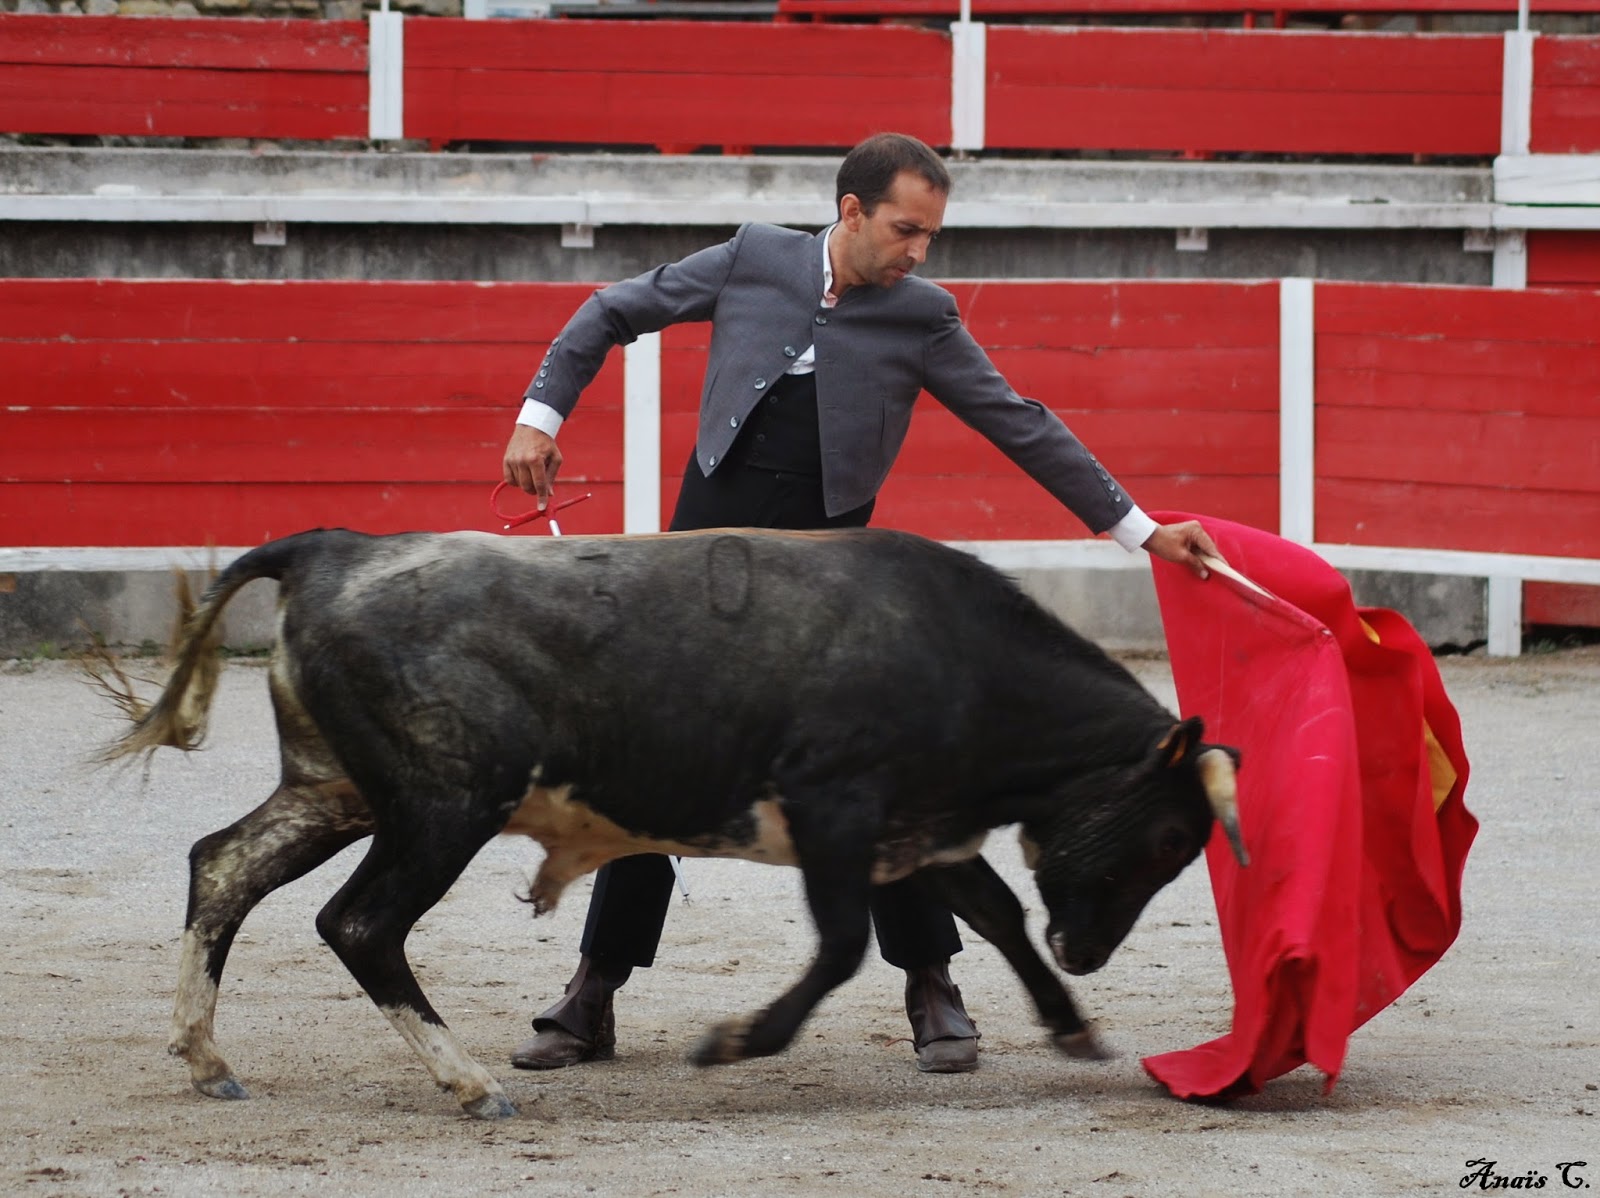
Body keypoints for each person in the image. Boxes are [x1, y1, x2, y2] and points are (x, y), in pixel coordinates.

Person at [501, 132, 1221, 1077]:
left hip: (835, 592)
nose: (918, 251)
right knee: (654, 764)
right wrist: (539, 416)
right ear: (851, 211)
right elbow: (613, 309)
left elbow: (1019, 423)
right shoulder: (756, 257)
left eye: (930, 235)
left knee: (883, 780)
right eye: (904, 230)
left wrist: (1141, 531)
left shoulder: (922, 314)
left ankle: (931, 983)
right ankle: (593, 990)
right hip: (705, 573)